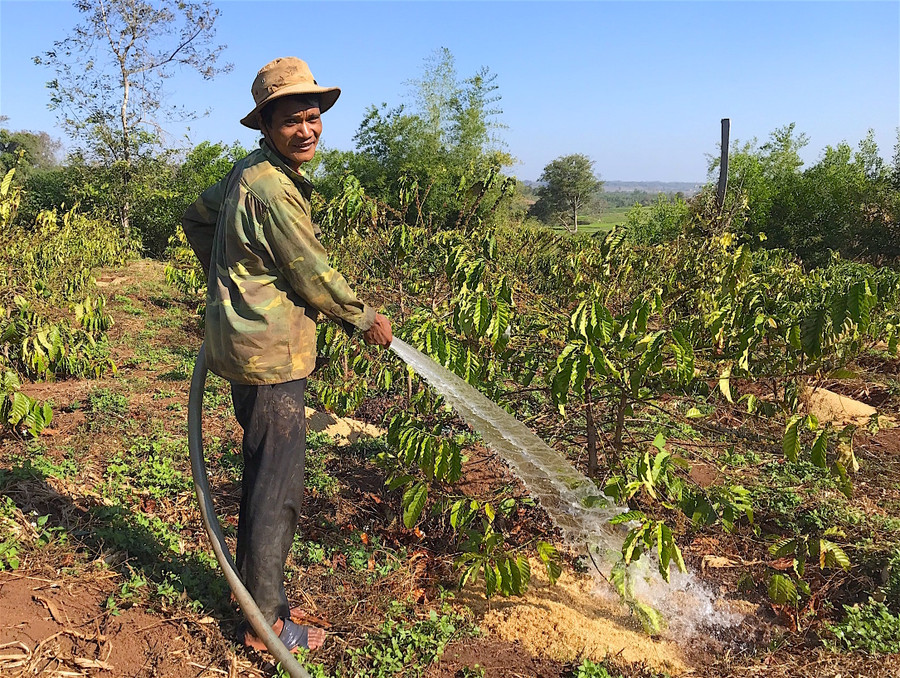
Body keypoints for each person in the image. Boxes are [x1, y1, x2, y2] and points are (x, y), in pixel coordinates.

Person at [182, 57, 392, 654]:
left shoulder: (248, 172)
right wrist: (362, 318)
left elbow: (196, 218)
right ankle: (267, 625)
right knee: (277, 486)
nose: (306, 130)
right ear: (267, 127)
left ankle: (251, 598)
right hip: (271, 355)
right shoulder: (272, 187)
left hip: (246, 346)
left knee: (262, 472)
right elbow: (310, 270)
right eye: (292, 120)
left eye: (312, 117)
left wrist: (236, 276)